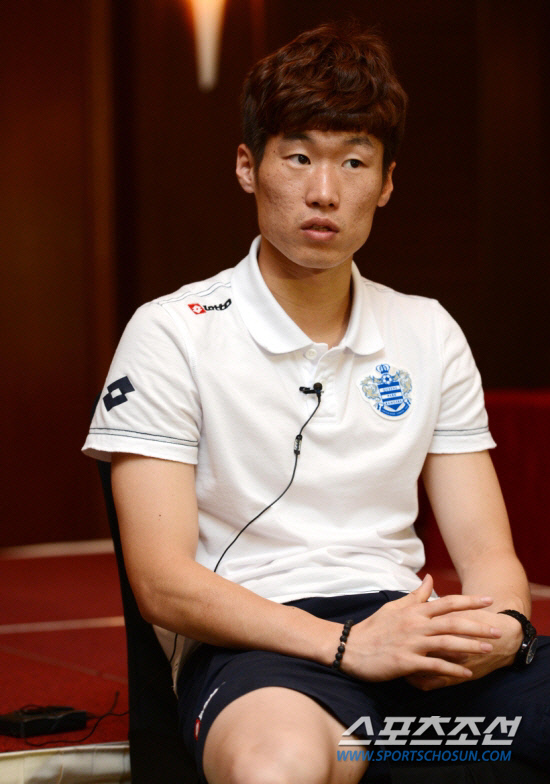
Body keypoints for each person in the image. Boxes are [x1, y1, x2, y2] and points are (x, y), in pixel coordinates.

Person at [83, 21, 548, 784]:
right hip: (262, 646)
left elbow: (490, 554)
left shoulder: (427, 330)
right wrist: (346, 647)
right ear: (248, 166)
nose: (324, 191)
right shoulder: (172, 332)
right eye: (298, 157)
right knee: (283, 765)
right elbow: (162, 581)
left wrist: (500, 627)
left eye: (354, 162)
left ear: (387, 182)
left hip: (409, 631)